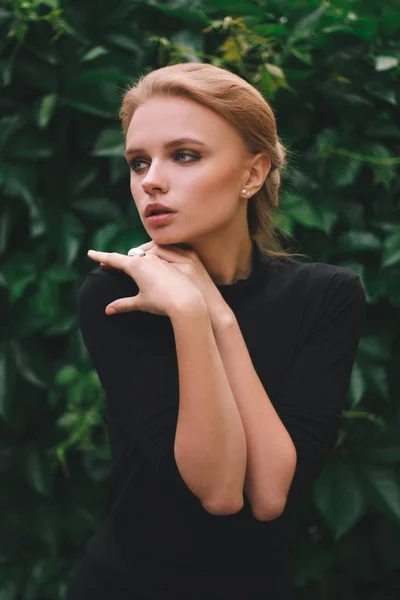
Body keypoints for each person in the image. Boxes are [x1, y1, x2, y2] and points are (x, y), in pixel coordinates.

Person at [67, 62, 366, 599]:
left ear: (252, 174)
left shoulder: (326, 296)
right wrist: (187, 313)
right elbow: (222, 492)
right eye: (138, 162)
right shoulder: (117, 296)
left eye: (184, 155)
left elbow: (271, 494)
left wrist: (214, 315)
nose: (151, 179)